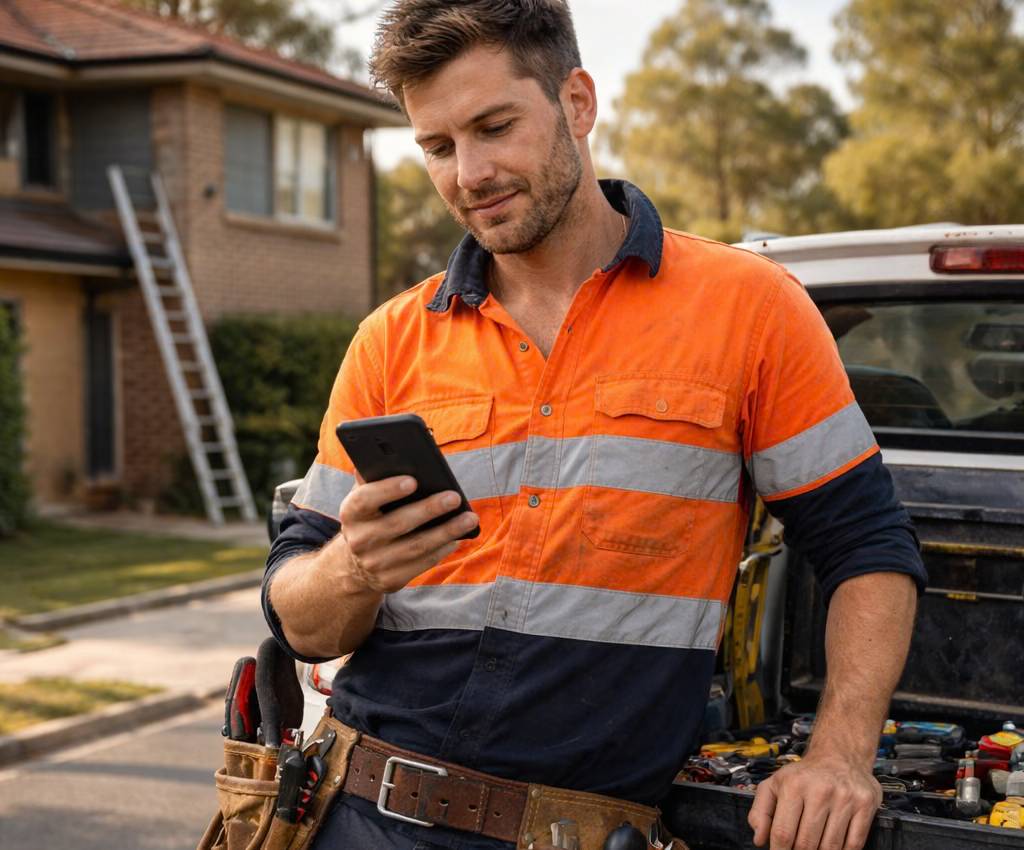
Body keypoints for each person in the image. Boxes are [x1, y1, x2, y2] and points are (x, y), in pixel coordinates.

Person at [263, 2, 927, 848]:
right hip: (353, 817)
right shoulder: (390, 340)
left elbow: (867, 546)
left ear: (577, 103)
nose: (468, 173)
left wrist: (840, 753)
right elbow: (297, 616)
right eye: (436, 146)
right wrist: (352, 568)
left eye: (494, 126)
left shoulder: (751, 309)